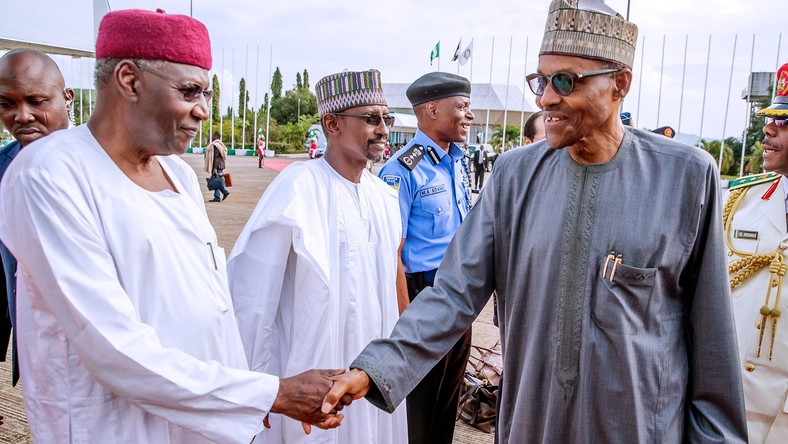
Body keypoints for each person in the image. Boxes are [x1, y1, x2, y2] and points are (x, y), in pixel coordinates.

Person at [324, 1, 747, 442]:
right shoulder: (514, 175)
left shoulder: (685, 175)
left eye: (565, 80)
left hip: (638, 426)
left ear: (619, 84)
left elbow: (713, 338)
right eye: (540, 80)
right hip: (531, 421)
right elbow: (452, 294)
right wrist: (376, 368)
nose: (546, 97)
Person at [0, 9, 343, 443]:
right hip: (114, 427)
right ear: (129, 80)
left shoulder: (177, 173)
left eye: (206, 93)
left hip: (202, 424)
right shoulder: (49, 173)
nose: (202, 110)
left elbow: (213, 311)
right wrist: (266, 393)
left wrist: (244, 399)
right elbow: (111, 347)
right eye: (189, 91)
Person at [228, 69, 407, 444]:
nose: (384, 130)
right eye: (371, 119)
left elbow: (392, 285)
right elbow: (253, 296)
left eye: (386, 119)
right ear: (331, 123)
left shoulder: (386, 198)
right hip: (310, 380)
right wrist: (258, 388)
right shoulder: (298, 187)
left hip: (372, 378)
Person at [377, 71, 474, 444]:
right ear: (432, 109)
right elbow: (393, 253)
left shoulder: (457, 161)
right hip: (423, 295)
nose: (469, 115)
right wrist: (407, 323)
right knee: (420, 403)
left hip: (457, 292)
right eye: (462, 106)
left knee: (448, 395)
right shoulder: (402, 170)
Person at [722, 62, 788, 443]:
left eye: (785, 122)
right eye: (771, 118)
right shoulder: (739, 202)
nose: (768, 128)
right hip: (733, 401)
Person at [0, 48, 73, 388]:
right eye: (6, 104)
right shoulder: (2, 167)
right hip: (36, 351)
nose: (22, 115)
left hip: (98, 352)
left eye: (36, 100)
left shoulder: (108, 164)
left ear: (67, 98)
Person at [204, 131, 229, 201]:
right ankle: (217, 196)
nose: (211, 137)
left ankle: (223, 192)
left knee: (216, 180)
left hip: (217, 165)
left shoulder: (215, 145)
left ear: (216, 137)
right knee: (217, 180)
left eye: (213, 136)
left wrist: (214, 168)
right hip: (221, 165)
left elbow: (216, 157)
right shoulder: (221, 144)